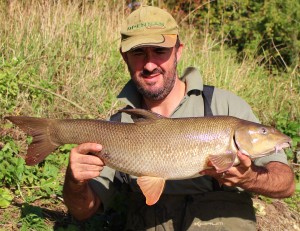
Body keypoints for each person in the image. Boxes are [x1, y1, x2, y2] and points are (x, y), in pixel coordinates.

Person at [63, 5, 295, 230]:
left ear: (178, 51)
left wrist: (249, 179)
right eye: (138, 52)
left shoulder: (225, 106)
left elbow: (286, 183)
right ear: (125, 57)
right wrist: (75, 183)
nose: (150, 64)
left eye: (160, 51)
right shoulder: (117, 125)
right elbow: (83, 210)